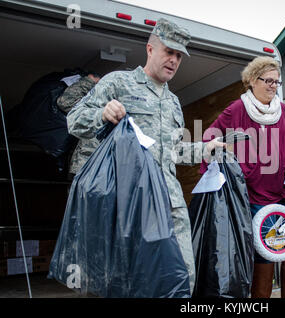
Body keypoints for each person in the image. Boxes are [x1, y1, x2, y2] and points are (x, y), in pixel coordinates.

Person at [66, 18, 224, 294]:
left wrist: (206, 149)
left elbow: (174, 151)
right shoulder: (119, 83)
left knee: (182, 275)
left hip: (170, 203)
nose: (174, 60)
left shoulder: (173, 101)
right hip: (130, 205)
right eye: (169, 51)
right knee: (130, 281)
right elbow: (74, 120)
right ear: (150, 49)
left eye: (179, 56)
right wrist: (101, 115)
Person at [201, 56, 285, 298]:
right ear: (252, 81)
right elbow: (209, 136)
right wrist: (214, 146)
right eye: (268, 80)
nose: (273, 86)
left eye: (276, 82)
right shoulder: (236, 110)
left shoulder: (284, 110)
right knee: (264, 252)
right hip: (255, 197)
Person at [57, 73, 101, 177]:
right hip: (88, 167)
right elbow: (66, 102)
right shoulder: (101, 103)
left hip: (113, 169)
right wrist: (90, 82)